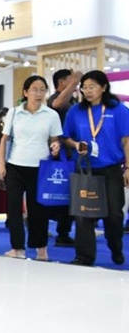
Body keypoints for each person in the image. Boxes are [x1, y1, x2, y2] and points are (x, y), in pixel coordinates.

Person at [62, 70, 129, 266]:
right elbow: (66, 136)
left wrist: (128, 168)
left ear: (104, 87)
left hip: (111, 169)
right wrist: (75, 145)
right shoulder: (76, 111)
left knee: (114, 215)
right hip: (85, 168)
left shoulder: (118, 110)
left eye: (92, 87)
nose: (87, 91)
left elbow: (126, 141)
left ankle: (115, 246)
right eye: (84, 87)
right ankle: (84, 257)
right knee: (83, 214)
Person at [0, 76, 62, 260]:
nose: (39, 93)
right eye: (34, 89)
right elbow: (4, 139)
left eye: (42, 89)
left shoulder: (51, 115)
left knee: (38, 210)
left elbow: (55, 139)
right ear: (25, 92)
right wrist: (2, 164)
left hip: (40, 168)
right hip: (15, 167)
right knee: (14, 210)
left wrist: (56, 145)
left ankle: (41, 248)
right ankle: (18, 248)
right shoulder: (14, 112)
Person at [46, 68, 83, 246]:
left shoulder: (73, 99)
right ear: (61, 82)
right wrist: (75, 82)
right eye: (70, 80)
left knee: (68, 196)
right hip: (59, 155)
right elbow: (57, 104)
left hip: (72, 154)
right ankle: (61, 233)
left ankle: (63, 232)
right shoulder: (56, 98)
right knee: (59, 194)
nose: (75, 83)